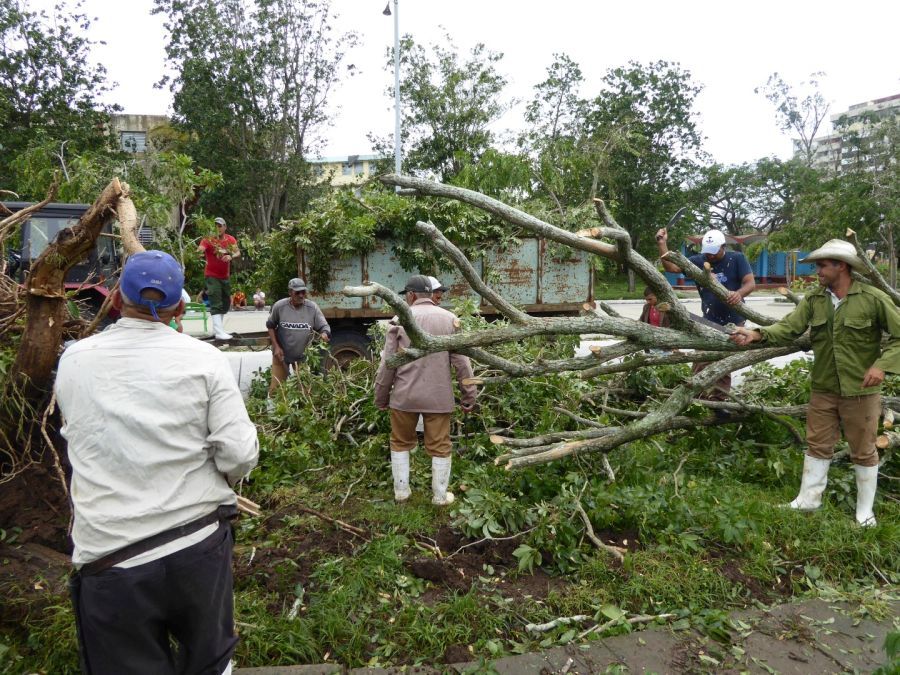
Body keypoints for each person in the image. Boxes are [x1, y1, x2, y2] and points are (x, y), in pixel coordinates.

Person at [55, 250, 259, 673]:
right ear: (181, 308)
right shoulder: (204, 359)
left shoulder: (73, 359)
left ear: (114, 300)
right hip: (196, 543)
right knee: (210, 663)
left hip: (110, 557)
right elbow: (239, 454)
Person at [730, 239, 900, 527]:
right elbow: (789, 327)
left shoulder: (873, 298)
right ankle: (808, 500)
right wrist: (756, 334)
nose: (817, 271)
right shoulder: (814, 300)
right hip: (823, 387)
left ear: (841, 266)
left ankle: (864, 513)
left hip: (861, 390)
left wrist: (881, 367)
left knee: (863, 448)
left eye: (822, 265)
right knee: (817, 444)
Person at [375, 275, 477, 505]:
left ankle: (401, 492)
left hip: (404, 397)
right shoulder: (450, 319)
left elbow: (387, 364)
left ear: (410, 295)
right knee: (440, 445)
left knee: (400, 442)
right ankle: (440, 496)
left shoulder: (398, 320)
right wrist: (469, 396)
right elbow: (463, 364)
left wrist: (381, 397)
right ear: (431, 294)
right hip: (438, 398)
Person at [657, 227, 755, 399]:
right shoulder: (698, 261)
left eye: (714, 252)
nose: (709, 256)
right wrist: (662, 243)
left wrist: (738, 294)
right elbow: (671, 267)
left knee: (723, 360)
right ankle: (695, 397)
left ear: (723, 247)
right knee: (701, 357)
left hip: (734, 320)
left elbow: (750, 283)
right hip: (709, 319)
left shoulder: (737, 258)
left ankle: (719, 400)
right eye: (707, 252)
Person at [266, 278, 331, 396]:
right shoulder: (279, 306)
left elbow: (324, 326)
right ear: (290, 292)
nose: (301, 295)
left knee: (305, 393)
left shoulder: (312, 308)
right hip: (282, 356)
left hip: (303, 358)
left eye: (303, 292)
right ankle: (272, 411)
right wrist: (276, 346)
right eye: (297, 292)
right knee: (276, 391)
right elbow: (270, 325)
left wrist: (325, 333)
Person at [198, 216, 240, 340]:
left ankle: (219, 329)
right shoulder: (208, 239)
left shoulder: (230, 239)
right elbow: (201, 249)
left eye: (220, 225)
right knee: (216, 302)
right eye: (215, 226)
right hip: (211, 276)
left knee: (226, 302)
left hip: (224, 277)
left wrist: (231, 256)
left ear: (225, 227)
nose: (218, 228)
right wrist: (199, 251)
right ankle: (219, 332)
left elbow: (237, 252)